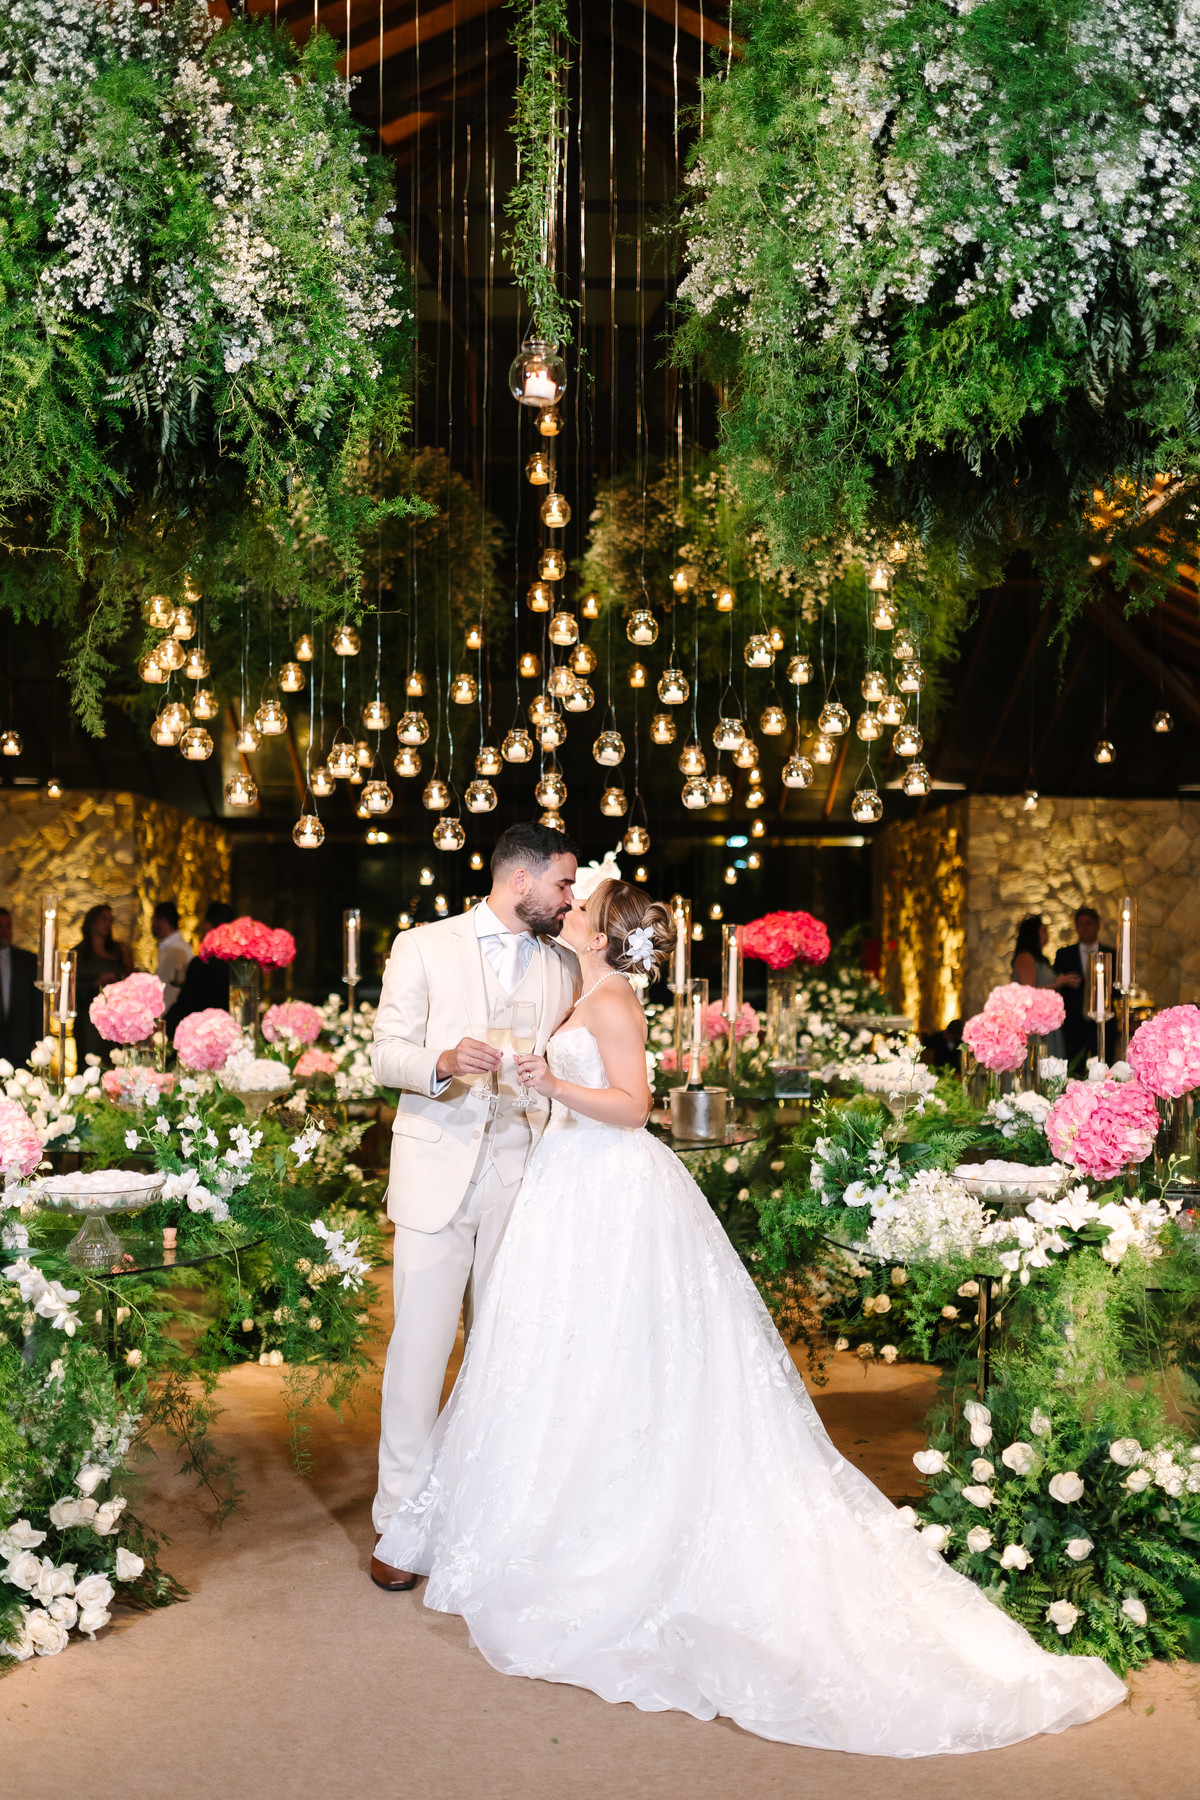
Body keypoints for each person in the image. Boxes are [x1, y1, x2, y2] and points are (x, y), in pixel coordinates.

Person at [374, 875, 1126, 1756]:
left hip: (605, 1185)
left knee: (608, 1351)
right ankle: (564, 1502)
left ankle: (612, 1526)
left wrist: (552, 1086)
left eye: (580, 905)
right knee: (574, 1359)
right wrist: (538, 1084)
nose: (567, 910)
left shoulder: (609, 1001)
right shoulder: (575, 984)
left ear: (606, 934)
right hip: (565, 1188)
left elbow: (634, 1108)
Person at [368, 821, 581, 1593]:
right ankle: (398, 1520)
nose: (571, 897)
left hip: (524, 1177)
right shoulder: (422, 946)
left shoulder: (563, 965)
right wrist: (444, 1061)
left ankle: (490, 1518)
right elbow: (384, 1052)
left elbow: (569, 1059)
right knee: (418, 1353)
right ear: (519, 880)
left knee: (506, 1356)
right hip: (435, 1171)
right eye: (562, 882)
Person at [1053, 907, 1115, 1068]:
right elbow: (1055, 987)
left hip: (1103, 1022)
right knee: (1074, 1067)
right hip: (1074, 1023)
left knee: (1104, 1067)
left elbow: (1116, 988)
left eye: (1088, 924)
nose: (1084, 928)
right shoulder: (1064, 954)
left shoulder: (1111, 954)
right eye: (1080, 924)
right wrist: (1063, 981)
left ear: (1097, 926)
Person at [73, 903, 133, 1066]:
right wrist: (96, 983)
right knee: (91, 1062)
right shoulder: (79, 953)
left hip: (114, 1015)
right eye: (103, 919)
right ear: (92, 922)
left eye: (110, 920)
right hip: (89, 1018)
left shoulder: (117, 951)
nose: (108, 923)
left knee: (114, 1062)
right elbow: (73, 988)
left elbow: (128, 978)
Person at [165, 902, 235, 1039]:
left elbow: (185, 1005)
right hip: (229, 1034)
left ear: (208, 926)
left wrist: (162, 1026)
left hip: (201, 1036)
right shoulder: (240, 964)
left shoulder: (202, 964)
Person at [1011, 914, 1074, 1061]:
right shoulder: (1025, 957)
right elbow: (1029, 991)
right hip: (1034, 1025)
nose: (1048, 935)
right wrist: (1059, 983)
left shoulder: (1039, 959)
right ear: (1034, 934)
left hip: (1046, 1023)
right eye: (1044, 931)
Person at [0, 908, 38, 1069]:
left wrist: (38, 1040)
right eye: (0, 926)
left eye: (8, 926)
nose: (4, 931)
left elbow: (36, 1003)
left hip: (20, 1042)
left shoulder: (28, 960)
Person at [151, 900, 193, 1014]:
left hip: (171, 1017)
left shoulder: (177, 950)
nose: (152, 923)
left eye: (153, 919)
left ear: (161, 921)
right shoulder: (171, 947)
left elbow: (175, 992)